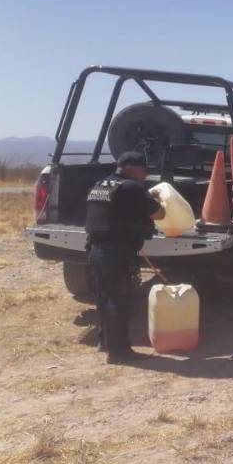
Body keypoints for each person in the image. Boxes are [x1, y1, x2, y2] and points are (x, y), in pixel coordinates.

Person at [84, 151, 166, 363]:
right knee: (118, 301)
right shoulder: (132, 187)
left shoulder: (100, 185)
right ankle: (119, 352)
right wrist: (155, 199)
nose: (145, 175)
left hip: (96, 249)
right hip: (117, 252)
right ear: (129, 168)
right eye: (142, 170)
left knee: (103, 298)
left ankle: (104, 342)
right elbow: (159, 214)